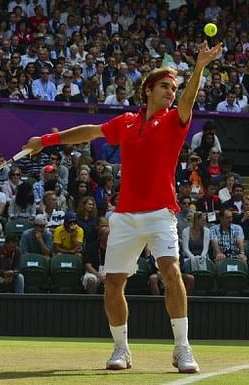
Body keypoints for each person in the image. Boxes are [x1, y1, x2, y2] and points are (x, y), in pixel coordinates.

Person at [22, 41, 223, 373]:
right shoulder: (127, 122)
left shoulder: (176, 120)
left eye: (173, 88)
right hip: (126, 216)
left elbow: (188, 99)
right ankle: (121, 350)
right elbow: (90, 131)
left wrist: (200, 66)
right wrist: (45, 141)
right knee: (113, 282)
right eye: (164, 87)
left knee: (171, 272)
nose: (171, 93)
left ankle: (182, 349)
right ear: (147, 90)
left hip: (161, 213)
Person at [83, 216, 109, 294]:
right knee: (91, 279)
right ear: (101, 236)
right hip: (94, 273)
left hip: (109, 273)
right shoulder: (92, 246)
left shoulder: (114, 248)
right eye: (107, 236)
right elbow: (88, 266)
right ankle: (92, 305)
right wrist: (99, 276)